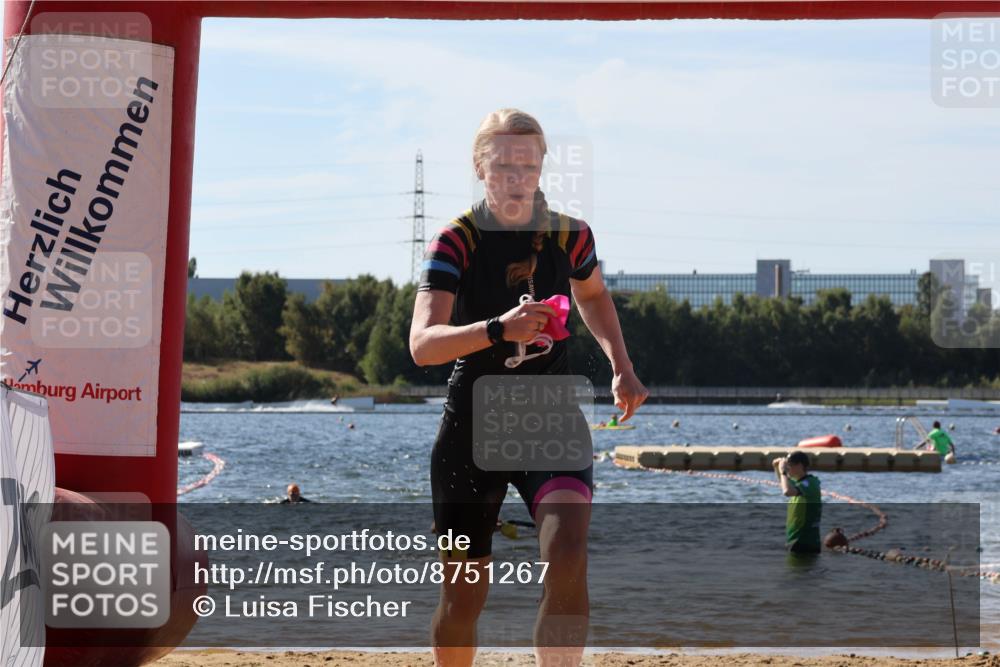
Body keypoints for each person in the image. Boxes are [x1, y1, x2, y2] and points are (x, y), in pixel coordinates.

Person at [409, 108, 648, 667]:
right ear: (479, 168)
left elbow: (591, 295)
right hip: (472, 426)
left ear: (542, 167)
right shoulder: (455, 241)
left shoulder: (572, 234)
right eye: (503, 166)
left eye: (528, 164)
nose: (516, 176)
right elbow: (422, 344)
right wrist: (498, 328)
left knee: (566, 554)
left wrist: (621, 364)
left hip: (550, 419)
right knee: (463, 599)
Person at [773, 451, 822, 554]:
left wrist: (783, 472)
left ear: (799, 465)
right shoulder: (799, 484)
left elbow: (787, 491)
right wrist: (776, 467)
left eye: (789, 465)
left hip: (805, 543)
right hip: (795, 541)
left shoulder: (810, 483)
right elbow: (785, 484)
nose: (787, 468)